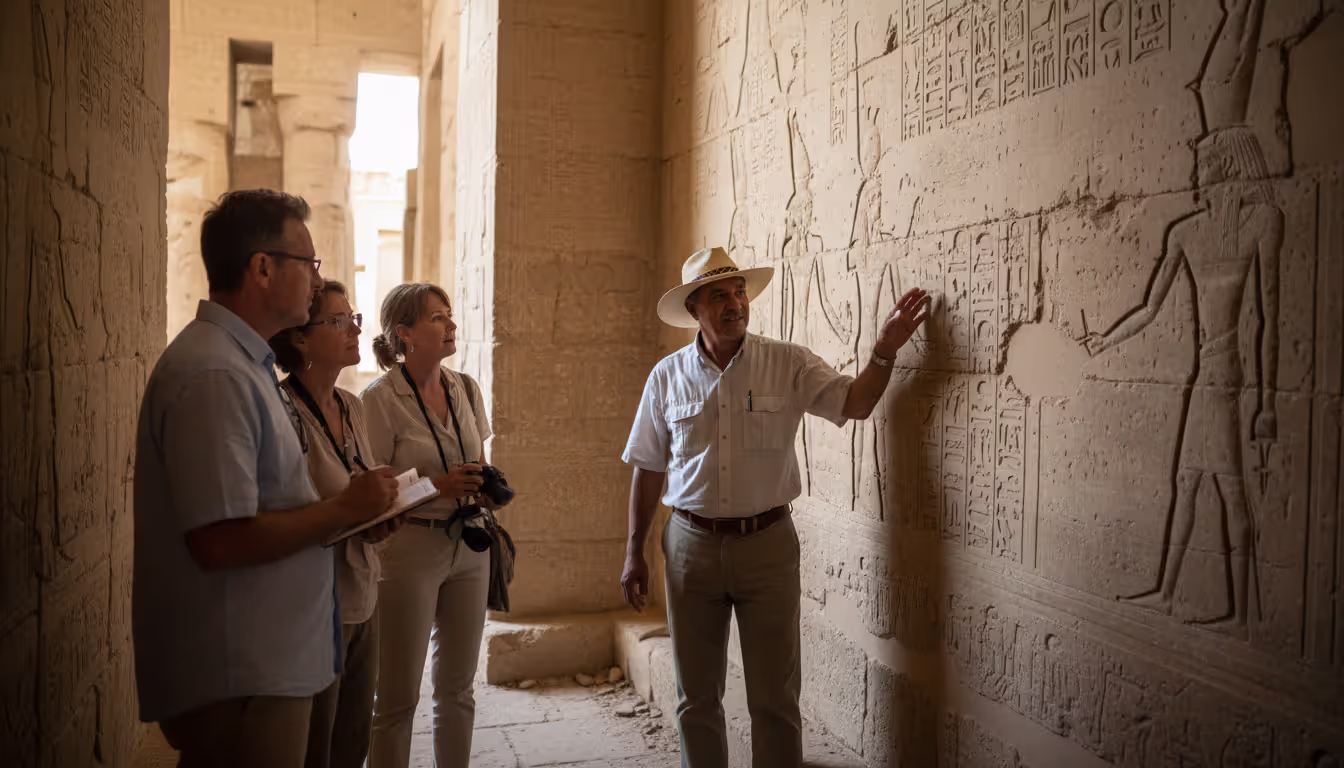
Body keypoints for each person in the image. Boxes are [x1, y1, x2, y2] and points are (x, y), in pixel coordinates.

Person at [620, 247, 930, 768]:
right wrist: (634, 552)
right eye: (718, 295)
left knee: (775, 701)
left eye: (738, 292)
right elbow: (648, 467)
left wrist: (884, 350)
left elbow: (854, 403)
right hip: (690, 548)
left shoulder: (786, 363)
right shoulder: (666, 377)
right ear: (694, 308)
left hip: (767, 546)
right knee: (696, 698)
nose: (734, 303)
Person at [133, 190, 399, 768]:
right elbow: (219, 539)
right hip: (243, 673)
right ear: (262, 268)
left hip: (267, 663)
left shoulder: (239, 365)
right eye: (309, 264)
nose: (315, 278)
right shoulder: (213, 374)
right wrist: (345, 509)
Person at [361, 283, 494, 768]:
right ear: (406, 334)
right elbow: (368, 491)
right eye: (438, 318)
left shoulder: (466, 387)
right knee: (396, 698)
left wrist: (485, 484)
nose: (451, 325)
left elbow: (478, 457)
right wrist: (438, 486)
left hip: (469, 544)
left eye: (450, 315)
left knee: (458, 690)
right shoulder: (378, 400)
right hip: (409, 548)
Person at [268, 280, 397, 768]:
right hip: (314, 605)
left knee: (352, 743)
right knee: (313, 748)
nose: (354, 329)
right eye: (339, 321)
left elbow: (358, 490)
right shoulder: (283, 411)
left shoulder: (353, 405)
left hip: (363, 590)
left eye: (354, 318)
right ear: (300, 339)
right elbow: (284, 514)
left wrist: (384, 514)